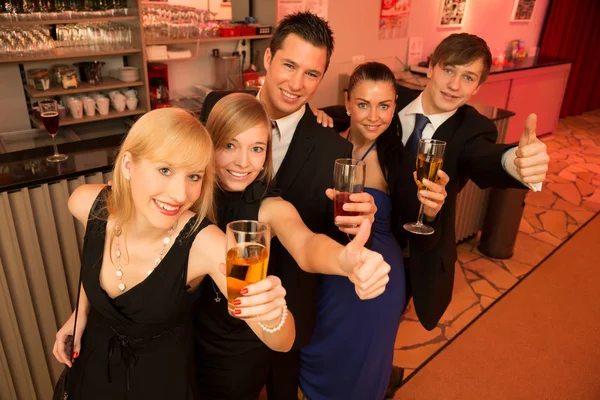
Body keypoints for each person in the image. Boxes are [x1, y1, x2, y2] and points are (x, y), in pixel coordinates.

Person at [315, 33, 550, 397]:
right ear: (431, 68)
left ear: (478, 87)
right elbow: (360, 112)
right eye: (449, 70)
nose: (455, 85)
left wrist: (514, 163)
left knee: (379, 329)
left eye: (469, 78)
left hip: (415, 254)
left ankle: (374, 378)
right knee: (345, 332)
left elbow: (486, 158)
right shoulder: (393, 99)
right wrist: (315, 116)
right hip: (348, 246)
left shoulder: (472, 130)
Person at [195, 11, 379, 399]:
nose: (296, 84)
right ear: (267, 58)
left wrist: (355, 232)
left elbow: (313, 241)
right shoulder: (217, 105)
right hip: (205, 301)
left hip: (287, 305)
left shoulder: (333, 147)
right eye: (289, 65)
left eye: (311, 74)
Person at [52, 108, 294, 399]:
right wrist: (79, 314)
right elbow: (94, 258)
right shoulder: (85, 204)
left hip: (160, 382)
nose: (180, 195)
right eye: (165, 170)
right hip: (91, 369)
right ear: (128, 165)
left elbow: (282, 341)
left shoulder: (206, 243)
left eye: (194, 176)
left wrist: (272, 312)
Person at [299, 62, 449, 399]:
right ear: (348, 102)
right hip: (326, 264)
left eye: (384, 105)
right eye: (364, 104)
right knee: (317, 349)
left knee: (362, 365)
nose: (373, 116)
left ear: (395, 104)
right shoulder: (323, 139)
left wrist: (433, 211)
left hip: (377, 274)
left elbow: (419, 228)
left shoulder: (402, 159)